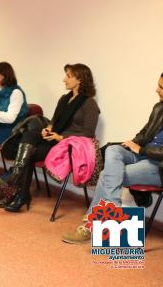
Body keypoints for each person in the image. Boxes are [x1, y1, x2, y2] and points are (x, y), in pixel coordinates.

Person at [62, 73, 163, 244]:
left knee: (106, 176)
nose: (156, 90)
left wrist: (143, 149)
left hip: (157, 165)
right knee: (114, 149)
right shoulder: (159, 107)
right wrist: (133, 142)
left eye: (161, 87)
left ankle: (90, 225)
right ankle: (112, 206)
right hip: (143, 154)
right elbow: (145, 132)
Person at [0, 64, 99, 211]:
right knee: (29, 134)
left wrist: (61, 137)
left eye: (68, 76)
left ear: (80, 80)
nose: (64, 80)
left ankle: (20, 192)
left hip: (69, 146)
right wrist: (48, 129)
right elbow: (54, 121)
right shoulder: (65, 99)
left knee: (29, 153)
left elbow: (88, 134)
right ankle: (19, 182)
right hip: (55, 140)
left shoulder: (89, 104)